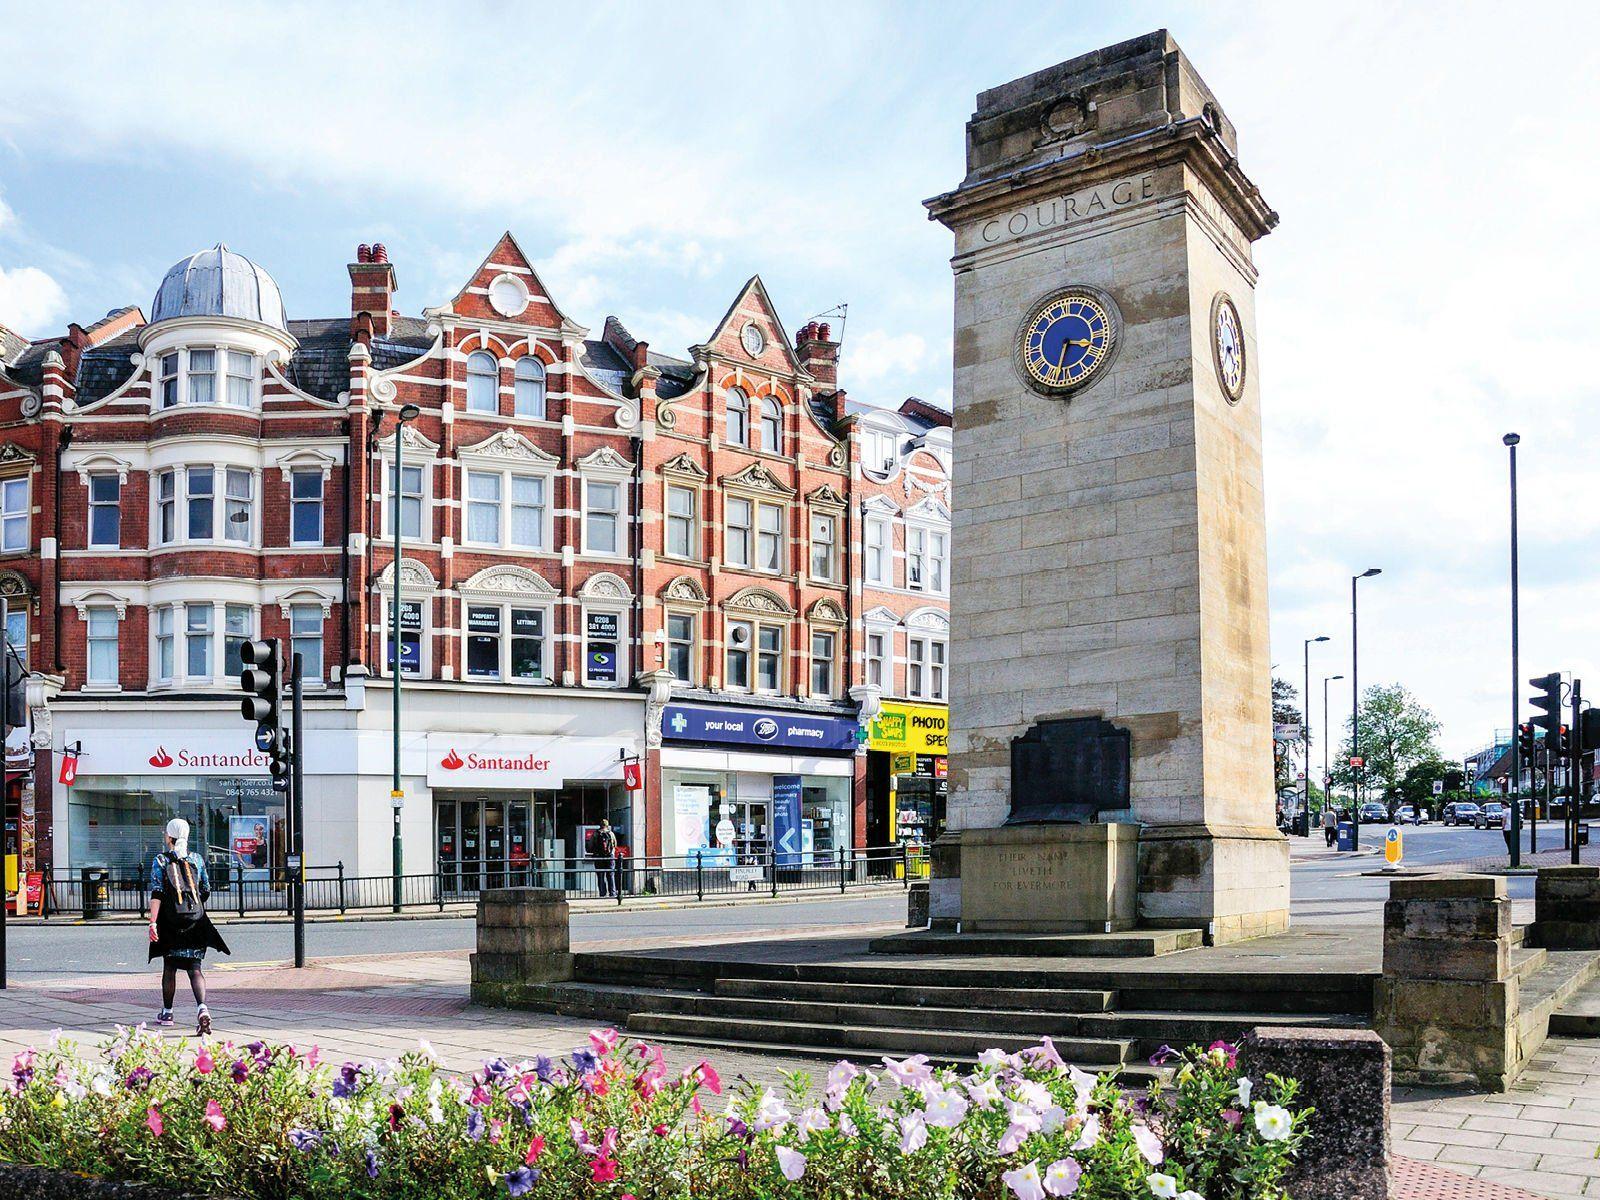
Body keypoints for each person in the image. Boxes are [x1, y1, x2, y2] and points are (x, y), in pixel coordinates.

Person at [147, 818, 230, 1035]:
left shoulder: (160, 860)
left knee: (169, 967)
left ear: (170, 836)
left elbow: (157, 893)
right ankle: (202, 1009)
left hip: (170, 922)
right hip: (195, 921)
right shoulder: (197, 859)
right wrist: (191, 906)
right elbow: (206, 889)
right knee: (195, 968)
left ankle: (167, 1013)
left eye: (166, 833)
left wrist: (153, 922)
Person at [593, 819, 619, 898]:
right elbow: (615, 844)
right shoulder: (611, 833)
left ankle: (602, 893)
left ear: (600, 825)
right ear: (607, 826)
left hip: (599, 857)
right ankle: (612, 893)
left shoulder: (596, 834)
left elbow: (591, 845)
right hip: (609, 857)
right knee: (610, 875)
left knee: (600, 876)